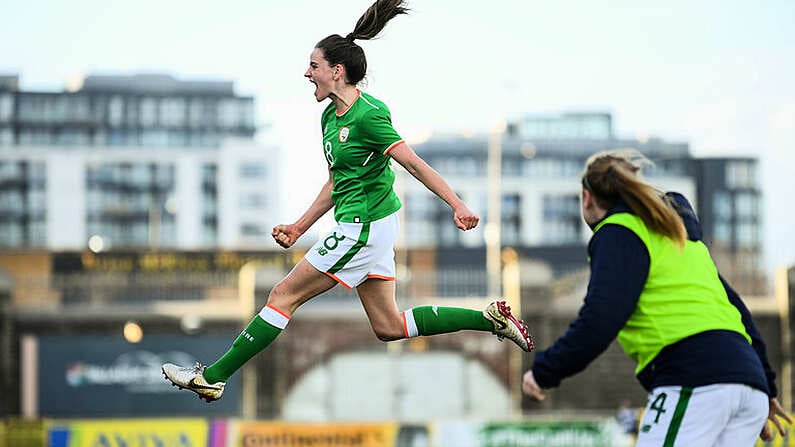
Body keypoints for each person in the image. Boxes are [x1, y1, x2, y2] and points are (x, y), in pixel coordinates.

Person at [162, 0, 532, 403]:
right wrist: (300, 225)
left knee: (281, 296)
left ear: (336, 71)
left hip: (363, 228)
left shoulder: (370, 115)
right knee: (388, 325)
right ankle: (491, 318)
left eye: (314, 66)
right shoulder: (329, 118)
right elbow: (337, 181)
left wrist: (457, 204)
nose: (307, 73)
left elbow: (413, 163)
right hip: (368, 227)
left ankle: (213, 376)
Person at [521, 150, 791, 446]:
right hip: (747, 387)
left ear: (587, 197)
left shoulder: (618, 233)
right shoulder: (680, 238)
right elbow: (737, 309)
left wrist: (545, 370)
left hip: (695, 379)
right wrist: (765, 383)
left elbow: (599, 321)